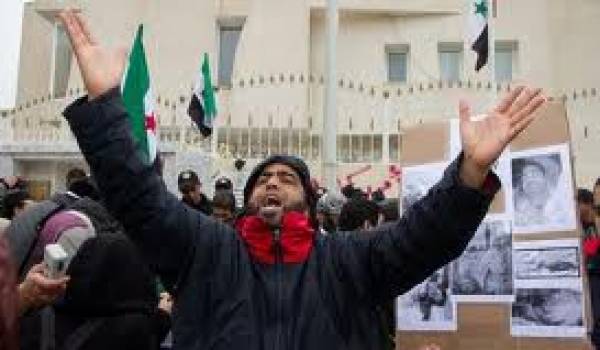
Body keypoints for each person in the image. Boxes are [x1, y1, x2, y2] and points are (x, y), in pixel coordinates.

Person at [58, 10, 545, 349]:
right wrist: (106, 105)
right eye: (263, 177)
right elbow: (139, 197)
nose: (273, 182)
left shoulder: (350, 261)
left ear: (310, 202)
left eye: (287, 177)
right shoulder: (205, 250)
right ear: (249, 199)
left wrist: (470, 171)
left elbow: (425, 237)